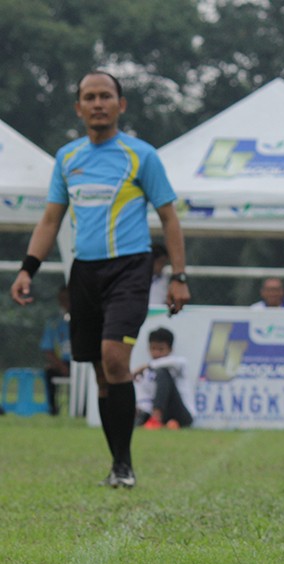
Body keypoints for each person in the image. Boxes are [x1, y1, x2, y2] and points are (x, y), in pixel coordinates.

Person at [10, 70, 190, 489]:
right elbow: (51, 219)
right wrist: (27, 269)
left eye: (105, 96)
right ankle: (117, 463)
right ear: (78, 107)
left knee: (115, 359)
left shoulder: (141, 155)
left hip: (130, 269)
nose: (97, 103)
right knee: (99, 373)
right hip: (84, 274)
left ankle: (124, 465)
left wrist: (179, 276)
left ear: (120, 105)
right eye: (89, 97)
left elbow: (169, 218)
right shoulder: (68, 158)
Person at [133, 327, 193, 429]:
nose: (156, 353)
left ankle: (156, 418)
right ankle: (164, 423)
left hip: (182, 414)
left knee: (162, 373)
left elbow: (180, 362)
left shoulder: (177, 365)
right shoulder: (146, 372)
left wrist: (148, 366)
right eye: (153, 349)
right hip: (159, 412)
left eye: (161, 349)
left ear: (170, 349)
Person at [40, 285, 72, 415]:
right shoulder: (54, 323)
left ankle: (84, 410)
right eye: (62, 300)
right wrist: (61, 366)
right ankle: (52, 409)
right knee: (49, 371)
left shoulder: (85, 321)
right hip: (62, 363)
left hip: (82, 363)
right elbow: (48, 349)